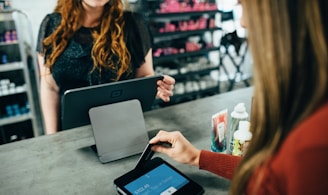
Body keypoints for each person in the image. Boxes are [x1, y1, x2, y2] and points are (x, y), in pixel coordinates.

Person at [150, 0, 328, 194]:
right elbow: (270, 172)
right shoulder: (305, 110)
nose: (242, 22)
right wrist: (196, 157)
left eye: (244, 4)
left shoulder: (312, 146)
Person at [36, 0, 175, 134]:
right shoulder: (51, 26)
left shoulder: (133, 24)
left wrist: (155, 86)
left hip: (123, 127)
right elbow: (50, 87)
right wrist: (52, 137)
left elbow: (144, 76)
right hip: (70, 131)